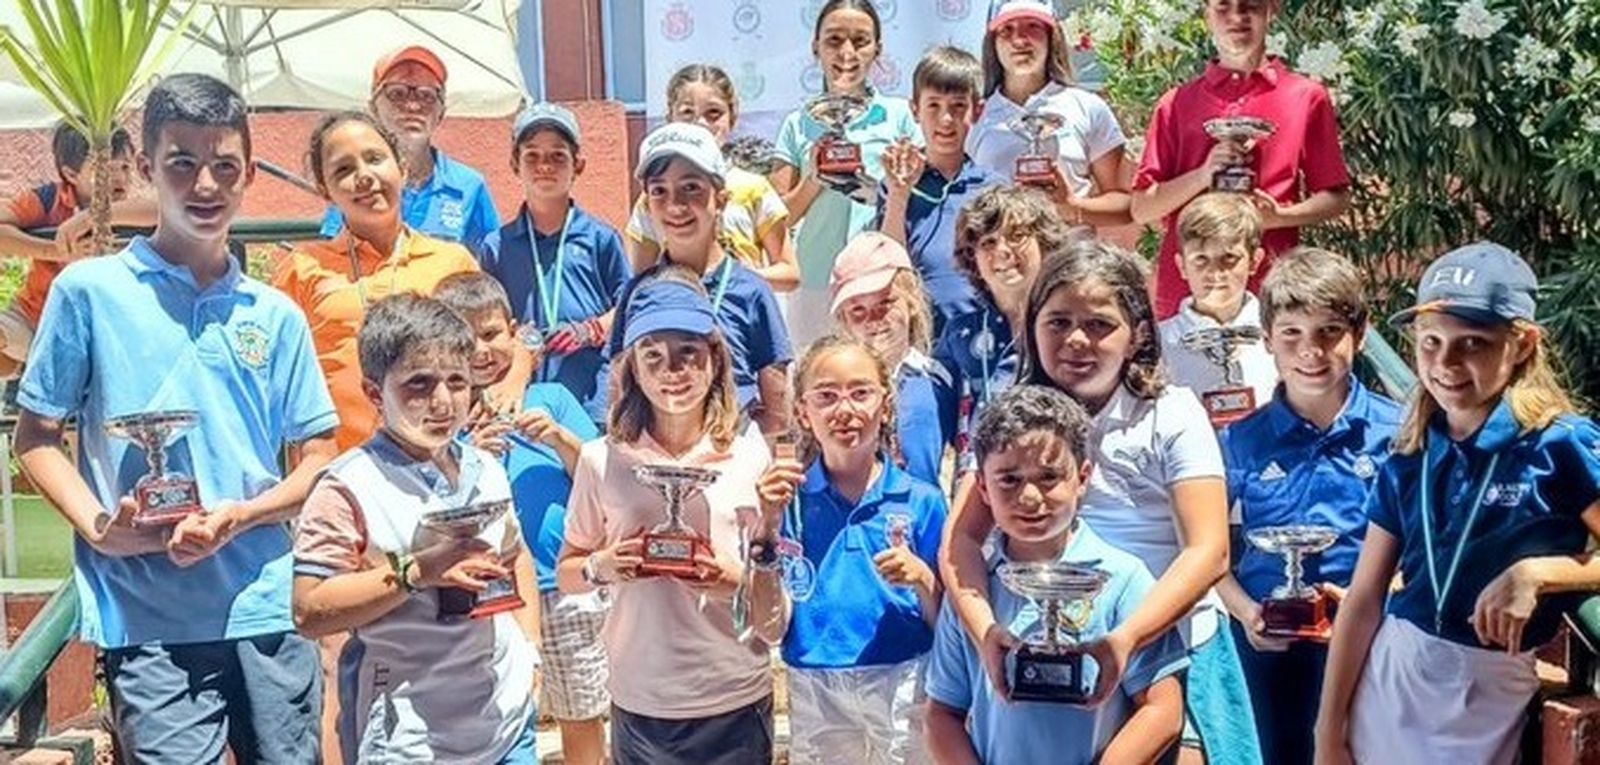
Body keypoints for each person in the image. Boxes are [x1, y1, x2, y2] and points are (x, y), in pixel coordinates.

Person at [15, 73, 335, 762]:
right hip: (147, 617)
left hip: (267, 604)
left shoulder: (274, 314)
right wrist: (102, 530)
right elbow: (35, 437)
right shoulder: (87, 293)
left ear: (249, 172)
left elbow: (317, 456)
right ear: (146, 170)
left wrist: (241, 517)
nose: (206, 185)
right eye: (182, 164)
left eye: (224, 166)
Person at [940, 242, 1262, 764]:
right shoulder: (1010, 420)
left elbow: (1209, 551)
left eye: (1099, 325)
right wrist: (986, 634)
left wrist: (1126, 638)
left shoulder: (1171, 414)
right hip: (1041, 648)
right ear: (1031, 327)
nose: (1075, 340)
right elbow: (961, 540)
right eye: (1058, 321)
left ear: (1136, 334)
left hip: (1164, 651)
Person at [1316, 242, 1600, 765]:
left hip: (1486, 693)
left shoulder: (1558, 444)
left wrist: (1538, 573)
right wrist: (1328, 733)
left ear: (1522, 344)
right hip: (1391, 679)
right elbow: (1361, 600)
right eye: (1430, 342)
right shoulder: (1410, 453)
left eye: (1473, 342)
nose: (1445, 362)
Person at [557, 274, 795, 764]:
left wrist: (737, 582)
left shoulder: (751, 457)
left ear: (715, 360)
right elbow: (568, 573)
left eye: (688, 352)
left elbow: (775, 616)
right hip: (641, 700)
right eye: (653, 356)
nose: (673, 371)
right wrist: (602, 566)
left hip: (734, 697)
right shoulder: (601, 459)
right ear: (632, 370)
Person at [292, 294, 540, 763]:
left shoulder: (486, 467)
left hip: (506, 726)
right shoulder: (347, 487)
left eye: (457, 382)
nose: (443, 402)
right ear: (373, 394)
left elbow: (515, 553)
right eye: (419, 384)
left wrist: (530, 649)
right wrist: (417, 572)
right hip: (410, 740)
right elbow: (309, 610)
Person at [925, 384, 1188, 765]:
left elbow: (1162, 710)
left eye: (1049, 477)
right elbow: (942, 712)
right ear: (982, 485)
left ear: (1082, 478)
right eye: (1009, 480)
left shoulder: (1125, 579)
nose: (1030, 497)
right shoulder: (973, 594)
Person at [1214, 247, 1402, 765]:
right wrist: (1247, 612)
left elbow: (1424, 546)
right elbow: (1206, 552)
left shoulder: (1400, 435)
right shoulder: (1239, 442)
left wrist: (1384, 595)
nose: (1311, 352)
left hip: (1370, 643)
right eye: (1292, 334)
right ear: (1268, 339)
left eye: (1329, 333)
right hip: (1267, 651)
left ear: (1359, 335)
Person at [434, 272, 610, 765]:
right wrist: (467, 452)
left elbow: (594, 473)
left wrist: (558, 437)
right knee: (505, 711)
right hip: (489, 593)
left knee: (581, 710)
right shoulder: (443, 418)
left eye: (491, 334)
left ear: (514, 331)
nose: (481, 351)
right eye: (465, 339)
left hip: (564, 585)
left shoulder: (551, 399)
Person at [1130, 0, 1352, 319]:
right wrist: (1203, 175)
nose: (1237, 17)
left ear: (1271, 10)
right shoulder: (1176, 103)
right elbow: (1142, 208)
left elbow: (1336, 196)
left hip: (1272, 284)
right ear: (1206, 15)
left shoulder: (1305, 96)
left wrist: (1279, 217)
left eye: (1250, 6)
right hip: (1189, 289)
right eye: (1223, 7)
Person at [782, 335, 946, 764]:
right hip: (814, 677)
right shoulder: (787, 502)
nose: (845, 409)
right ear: (803, 411)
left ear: (886, 405)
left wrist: (922, 577)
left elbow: (946, 616)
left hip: (904, 672)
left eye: (861, 393)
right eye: (826, 396)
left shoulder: (922, 500)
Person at [273, 111, 479, 451]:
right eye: (343, 170)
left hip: (438, 465)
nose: (363, 176)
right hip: (338, 471)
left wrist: (513, 379)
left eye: (375, 159)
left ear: (402, 168)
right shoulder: (302, 268)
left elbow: (495, 343)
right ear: (325, 191)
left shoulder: (453, 261)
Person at [606, 123, 792, 435]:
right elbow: (617, 393)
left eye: (691, 187)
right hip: (656, 467)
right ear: (646, 206)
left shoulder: (752, 291)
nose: (675, 205)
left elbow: (778, 413)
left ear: (721, 199)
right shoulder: (637, 293)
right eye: (659, 191)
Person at [772, 0, 921, 348]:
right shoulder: (797, 124)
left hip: (881, 280)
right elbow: (778, 217)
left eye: (860, 40)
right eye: (834, 40)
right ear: (816, 47)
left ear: (878, 50)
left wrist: (873, 186)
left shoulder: (900, 117)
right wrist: (815, 178)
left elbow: (915, 198)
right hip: (814, 280)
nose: (847, 52)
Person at [477, 103, 632, 426]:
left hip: (591, 395)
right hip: (521, 395)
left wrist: (592, 329)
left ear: (579, 165)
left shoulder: (600, 238)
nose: (544, 165)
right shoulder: (496, 246)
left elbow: (629, 305)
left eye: (557, 156)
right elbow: (486, 321)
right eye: (531, 155)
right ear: (514, 164)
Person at [626, 64, 798, 294]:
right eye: (687, 113)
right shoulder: (653, 199)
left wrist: (735, 278)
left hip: (741, 316)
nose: (701, 124)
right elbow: (640, 280)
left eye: (713, 113)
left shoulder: (754, 187)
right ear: (670, 117)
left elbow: (790, 273)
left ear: (732, 117)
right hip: (678, 317)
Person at [0, 121, 151, 379]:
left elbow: (169, 210)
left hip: (105, 334)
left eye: (125, 168)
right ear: (71, 174)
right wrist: (56, 250)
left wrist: (96, 216)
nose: (119, 178)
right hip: (36, 320)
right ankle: (28, 373)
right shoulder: (48, 199)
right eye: (102, 168)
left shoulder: (133, 209)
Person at [965, 0, 1131, 228]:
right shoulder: (973, 116)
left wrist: (1071, 207)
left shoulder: (1088, 107)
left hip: (1070, 259)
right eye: (1007, 30)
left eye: (1033, 26)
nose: (1020, 40)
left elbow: (1125, 205)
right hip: (999, 260)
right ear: (993, 43)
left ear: (1052, 38)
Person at [321, 45, 500, 252]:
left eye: (426, 96)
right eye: (397, 93)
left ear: (441, 112)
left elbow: (491, 267)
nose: (413, 106)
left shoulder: (468, 185)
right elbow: (334, 256)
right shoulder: (358, 181)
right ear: (373, 107)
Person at [875, 45, 997, 339]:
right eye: (934, 106)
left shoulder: (994, 187)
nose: (945, 119)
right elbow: (889, 264)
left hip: (983, 335)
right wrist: (899, 195)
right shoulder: (893, 186)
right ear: (915, 110)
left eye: (958, 107)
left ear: (977, 111)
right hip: (923, 339)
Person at [934, 186, 1070, 449]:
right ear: (973, 258)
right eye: (988, 242)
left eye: (1017, 236)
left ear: (1045, 245)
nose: (1002, 251)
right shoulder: (958, 334)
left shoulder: (1071, 326)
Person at [830, 232, 957, 487]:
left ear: (911, 302)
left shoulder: (939, 380)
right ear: (843, 319)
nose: (873, 319)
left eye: (885, 303)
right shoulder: (831, 389)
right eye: (857, 310)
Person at [1157, 193, 1277, 428]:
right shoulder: (1159, 343)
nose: (1215, 272)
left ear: (1254, 261)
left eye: (1229, 258)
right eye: (1200, 259)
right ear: (1182, 266)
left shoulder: (1280, 333)